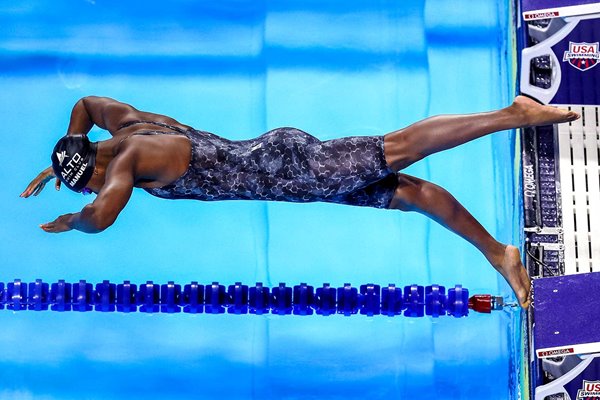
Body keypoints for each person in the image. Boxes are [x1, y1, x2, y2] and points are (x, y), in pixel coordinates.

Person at [21, 96, 579, 308]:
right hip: (284, 166)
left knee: (399, 149)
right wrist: (61, 160)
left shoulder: (123, 169)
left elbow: (101, 219)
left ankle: (513, 116)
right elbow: (85, 105)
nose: (94, 190)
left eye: (85, 182)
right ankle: (498, 252)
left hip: (291, 172)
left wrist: (71, 221)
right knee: (407, 196)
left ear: (93, 172)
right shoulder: (122, 129)